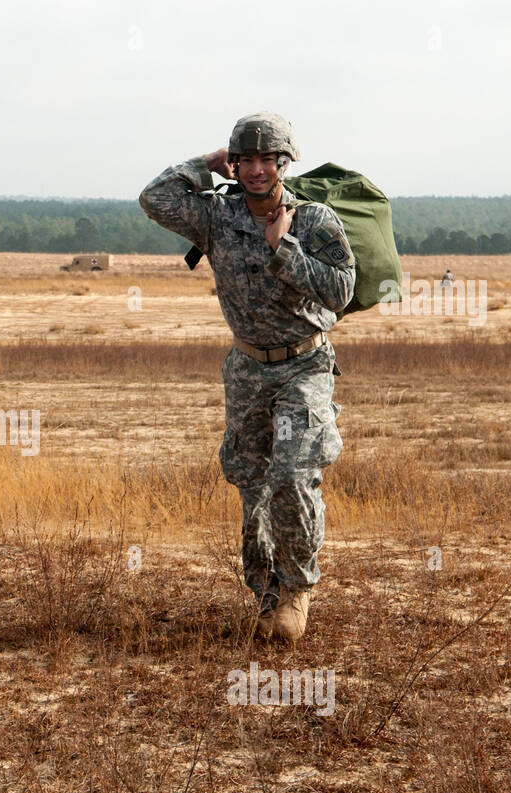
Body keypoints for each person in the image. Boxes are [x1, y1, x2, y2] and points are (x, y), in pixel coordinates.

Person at [138, 112, 354, 643]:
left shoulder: (315, 219)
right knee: (252, 484)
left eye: (267, 159)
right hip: (246, 369)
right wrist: (206, 164)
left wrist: (285, 249)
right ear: (234, 164)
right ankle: (266, 592)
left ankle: (297, 589)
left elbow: (341, 290)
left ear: (285, 163)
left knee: (292, 473)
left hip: (304, 365)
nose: (257, 170)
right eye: (246, 159)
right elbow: (155, 198)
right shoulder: (217, 216)